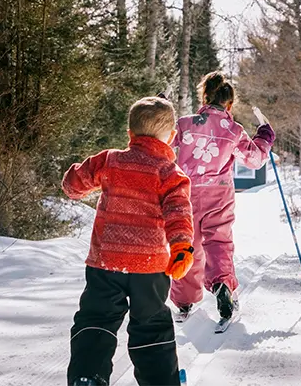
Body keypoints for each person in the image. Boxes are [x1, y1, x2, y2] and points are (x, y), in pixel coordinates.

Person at [62, 96, 195, 386]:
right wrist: (182, 246)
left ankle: (88, 377)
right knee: (151, 326)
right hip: (150, 268)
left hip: (106, 263)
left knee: (96, 319)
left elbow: (74, 184)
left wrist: (73, 180)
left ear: (130, 134)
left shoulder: (109, 160)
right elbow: (178, 211)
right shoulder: (169, 173)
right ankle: (161, 381)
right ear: (172, 137)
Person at [170, 71, 276, 321]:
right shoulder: (233, 130)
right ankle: (222, 285)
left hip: (185, 194)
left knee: (187, 244)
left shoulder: (185, 124)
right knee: (218, 243)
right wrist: (264, 136)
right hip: (219, 195)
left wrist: (160, 111)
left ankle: (184, 302)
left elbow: (162, 141)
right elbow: (255, 159)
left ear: (204, 97)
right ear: (229, 104)